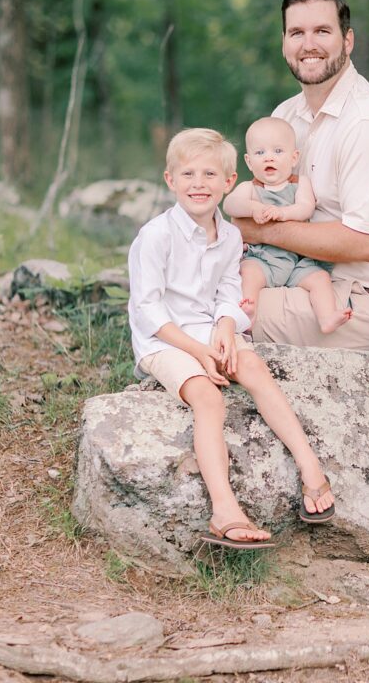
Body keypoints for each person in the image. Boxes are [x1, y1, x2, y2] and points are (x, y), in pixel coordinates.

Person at [128, 128, 336, 547]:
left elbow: (228, 291)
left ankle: (310, 467)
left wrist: (225, 326)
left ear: (228, 182)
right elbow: (148, 309)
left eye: (210, 175)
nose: (199, 184)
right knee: (209, 398)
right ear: (170, 180)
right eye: (188, 174)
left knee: (253, 365)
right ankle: (224, 509)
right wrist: (199, 352)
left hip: (209, 328)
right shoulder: (156, 235)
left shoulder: (230, 236)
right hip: (165, 340)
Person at [233, 0, 369, 350]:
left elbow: (366, 243)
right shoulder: (285, 116)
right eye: (296, 33)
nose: (309, 45)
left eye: (322, 31)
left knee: (211, 313)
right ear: (284, 43)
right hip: (296, 276)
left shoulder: (368, 122)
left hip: (361, 301)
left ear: (347, 41)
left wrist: (261, 231)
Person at [223, 117, 352, 334]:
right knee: (248, 272)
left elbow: (305, 208)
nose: (269, 157)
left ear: (294, 158)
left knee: (320, 279)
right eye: (260, 153)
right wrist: (253, 208)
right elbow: (230, 204)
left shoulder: (300, 183)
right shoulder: (250, 188)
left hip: (298, 259)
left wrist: (283, 213)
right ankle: (248, 312)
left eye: (278, 151)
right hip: (263, 258)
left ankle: (327, 317)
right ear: (249, 161)